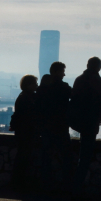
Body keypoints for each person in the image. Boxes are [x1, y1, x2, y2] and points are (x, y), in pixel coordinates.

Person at [69, 57, 101, 197]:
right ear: (99, 67)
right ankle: (77, 187)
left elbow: (73, 99)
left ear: (87, 65)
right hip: (91, 121)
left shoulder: (79, 79)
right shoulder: (99, 82)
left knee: (81, 154)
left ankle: (73, 186)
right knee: (85, 155)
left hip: (79, 121)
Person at [36, 62, 73, 192]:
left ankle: (45, 184)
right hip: (61, 127)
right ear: (57, 72)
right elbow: (75, 98)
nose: (64, 74)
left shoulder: (42, 88)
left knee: (46, 156)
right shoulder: (64, 88)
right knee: (66, 157)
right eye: (63, 71)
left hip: (46, 127)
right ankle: (66, 185)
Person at [10, 74, 39, 189]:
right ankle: (19, 182)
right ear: (29, 85)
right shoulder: (27, 98)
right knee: (24, 157)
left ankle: (18, 181)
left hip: (23, 132)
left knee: (22, 156)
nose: (37, 86)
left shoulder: (23, 97)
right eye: (35, 84)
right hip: (26, 132)